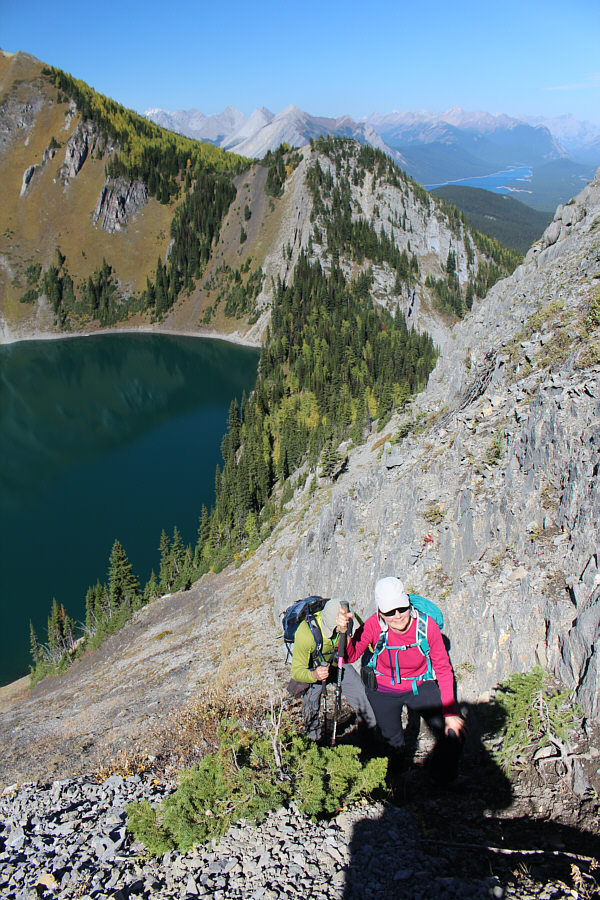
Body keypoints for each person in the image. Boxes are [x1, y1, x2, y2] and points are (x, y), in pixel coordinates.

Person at [339, 576, 465, 784]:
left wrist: (450, 713)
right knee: (393, 741)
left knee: (451, 731)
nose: (397, 616)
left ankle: (443, 780)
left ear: (408, 603)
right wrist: (342, 633)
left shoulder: (427, 626)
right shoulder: (373, 625)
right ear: (380, 611)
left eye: (401, 608)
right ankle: (398, 783)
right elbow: (350, 656)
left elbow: (443, 669)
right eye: (389, 611)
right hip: (383, 689)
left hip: (419, 684)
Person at [290, 598, 376, 742]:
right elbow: (296, 672)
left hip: (338, 664)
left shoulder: (349, 622)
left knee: (363, 697)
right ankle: (314, 745)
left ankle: (370, 741)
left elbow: (360, 646)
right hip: (314, 670)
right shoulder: (306, 634)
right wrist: (314, 674)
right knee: (310, 709)